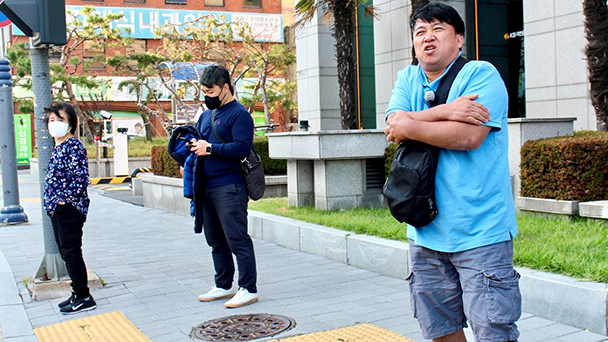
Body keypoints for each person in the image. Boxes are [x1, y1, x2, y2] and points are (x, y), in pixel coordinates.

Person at [384, 3, 521, 342]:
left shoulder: (481, 75)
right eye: (420, 32)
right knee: (440, 330)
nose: (427, 38)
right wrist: (449, 110)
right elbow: (392, 126)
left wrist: (410, 122)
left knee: (493, 332)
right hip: (425, 232)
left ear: (459, 39)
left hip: (481, 232)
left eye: (438, 29)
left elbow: (468, 136)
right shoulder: (408, 77)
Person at [188, 64, 258, 308]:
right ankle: (223, 284)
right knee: (215, 239)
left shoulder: (239, 115)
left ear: (225, 88)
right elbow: (199, 140)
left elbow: (241, 147)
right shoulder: (207, 115)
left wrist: (210, 148)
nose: (207, 96)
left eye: (211, 91)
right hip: (205, 187)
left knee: (237, 238)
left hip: (230, 187)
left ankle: (248, 288)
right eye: (204, 91)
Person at [43, 103, 96, 315]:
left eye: (60, 120)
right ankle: (77, 293)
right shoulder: (59, 148)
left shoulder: (73, 146)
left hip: (69, 209)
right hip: (60, 209)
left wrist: (63, 201)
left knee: (72, 252)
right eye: (51, 120)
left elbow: (81, 178)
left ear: (71, 124)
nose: (54, 124)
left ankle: (83, 296)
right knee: (67, 251)